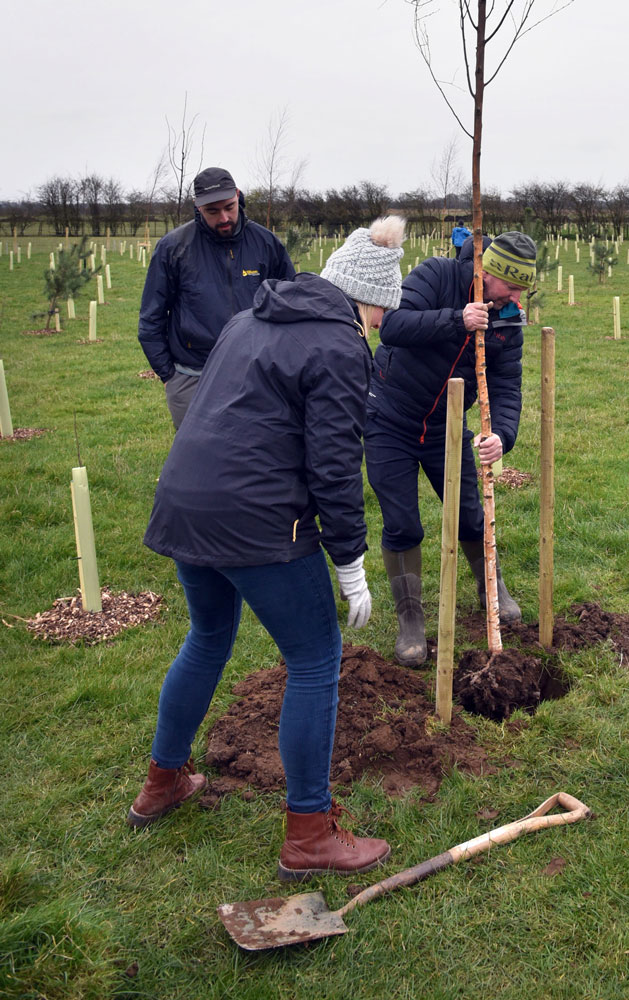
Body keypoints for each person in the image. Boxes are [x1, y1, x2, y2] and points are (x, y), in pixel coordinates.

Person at [128, 217, 407, 881]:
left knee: (207, 638)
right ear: (367, 301)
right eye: (380, 315)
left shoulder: (249, 319)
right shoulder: (339, 344)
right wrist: (350, 562)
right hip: (252, 516)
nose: (378, 327)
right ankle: (310, 834)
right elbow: (334, 466)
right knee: (315, 658)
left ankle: (162, 783)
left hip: (186, 502)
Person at [363, 231, 535, 666]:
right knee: (402, 523)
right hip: (390, 418)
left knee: (469, 513)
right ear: (489, 272)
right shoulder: (436, 275)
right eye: (512, 286)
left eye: (522, 290)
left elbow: (506, 384)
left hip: (446, 426)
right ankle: (410, 619)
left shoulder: (508, 319)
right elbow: (392, 326)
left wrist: (503, 434)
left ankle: (490, 586)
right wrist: (457, 320)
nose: (517, 298)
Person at [138, 166, 296, 429]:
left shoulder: (266, 244)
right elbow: (150, 318)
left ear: (238, 196)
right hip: (192, 379)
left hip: (255, 377)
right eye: (212, 211)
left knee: (254, 451)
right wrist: (169, 376)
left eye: (229, 207)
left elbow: (291, 306)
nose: (224, 217)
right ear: (198, 207)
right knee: (197, 454)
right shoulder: (173, 248)